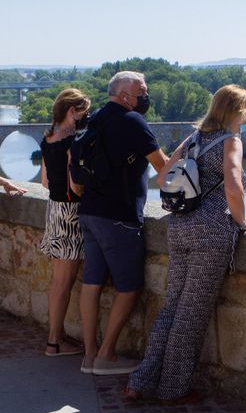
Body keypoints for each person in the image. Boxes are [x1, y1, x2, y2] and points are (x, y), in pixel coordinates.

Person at [126, 84, 246, 401]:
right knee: (192, 314)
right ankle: (172, 389)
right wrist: (241, 221)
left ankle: (141, 380)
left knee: (172, 307)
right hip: (211, 231)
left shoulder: (194, 139)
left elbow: (162, 178)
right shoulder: (231, 140)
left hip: (180, 227)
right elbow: (233, 187)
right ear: (236, 111)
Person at [70, 71, 167, 376]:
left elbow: (76, 174)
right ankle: (107, 355)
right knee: (129, 287)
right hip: (120, 217)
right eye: (143, 90)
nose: (146, 95)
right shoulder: (132, 121)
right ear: (126, 95)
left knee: (92, 282)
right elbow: (162, 167)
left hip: (89, 212)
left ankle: (89, 355)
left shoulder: (94, 119)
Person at [38, 88, 91, 357]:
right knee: (64, 282)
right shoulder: (72, 142)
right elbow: (76, 186)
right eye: (83, 112)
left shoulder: (47, 139)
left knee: (58, 280)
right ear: (72, 111)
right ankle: (54, 342)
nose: (85, 117)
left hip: (54, 210)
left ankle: (54, 338)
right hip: (71, 212)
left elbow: (45, 182)